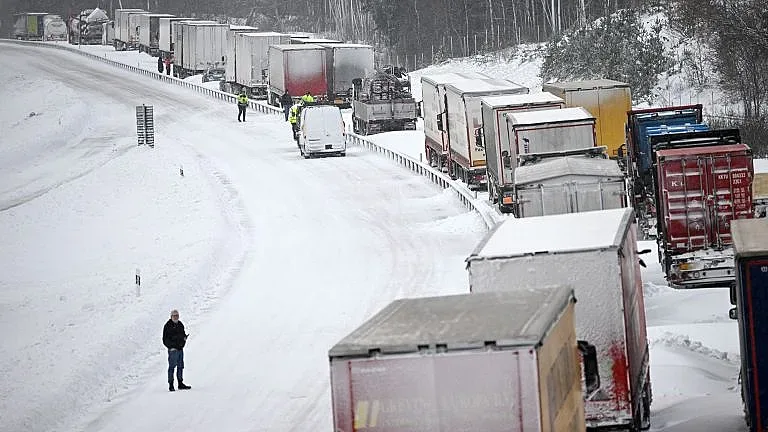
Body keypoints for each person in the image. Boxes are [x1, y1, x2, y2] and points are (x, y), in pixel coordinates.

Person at [162, 309, 190, 391]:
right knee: (172, 367)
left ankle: (180, 383)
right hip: (173, 350)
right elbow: (165, 339)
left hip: (180, 349)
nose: (176, 317)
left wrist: (184, 340)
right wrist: (171, 347)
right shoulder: (167, 326)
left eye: (177, 315)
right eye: (174, 315)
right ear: (171, 317)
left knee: (180, 366)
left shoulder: (180, 324)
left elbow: (182, 335)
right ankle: (171, 384)